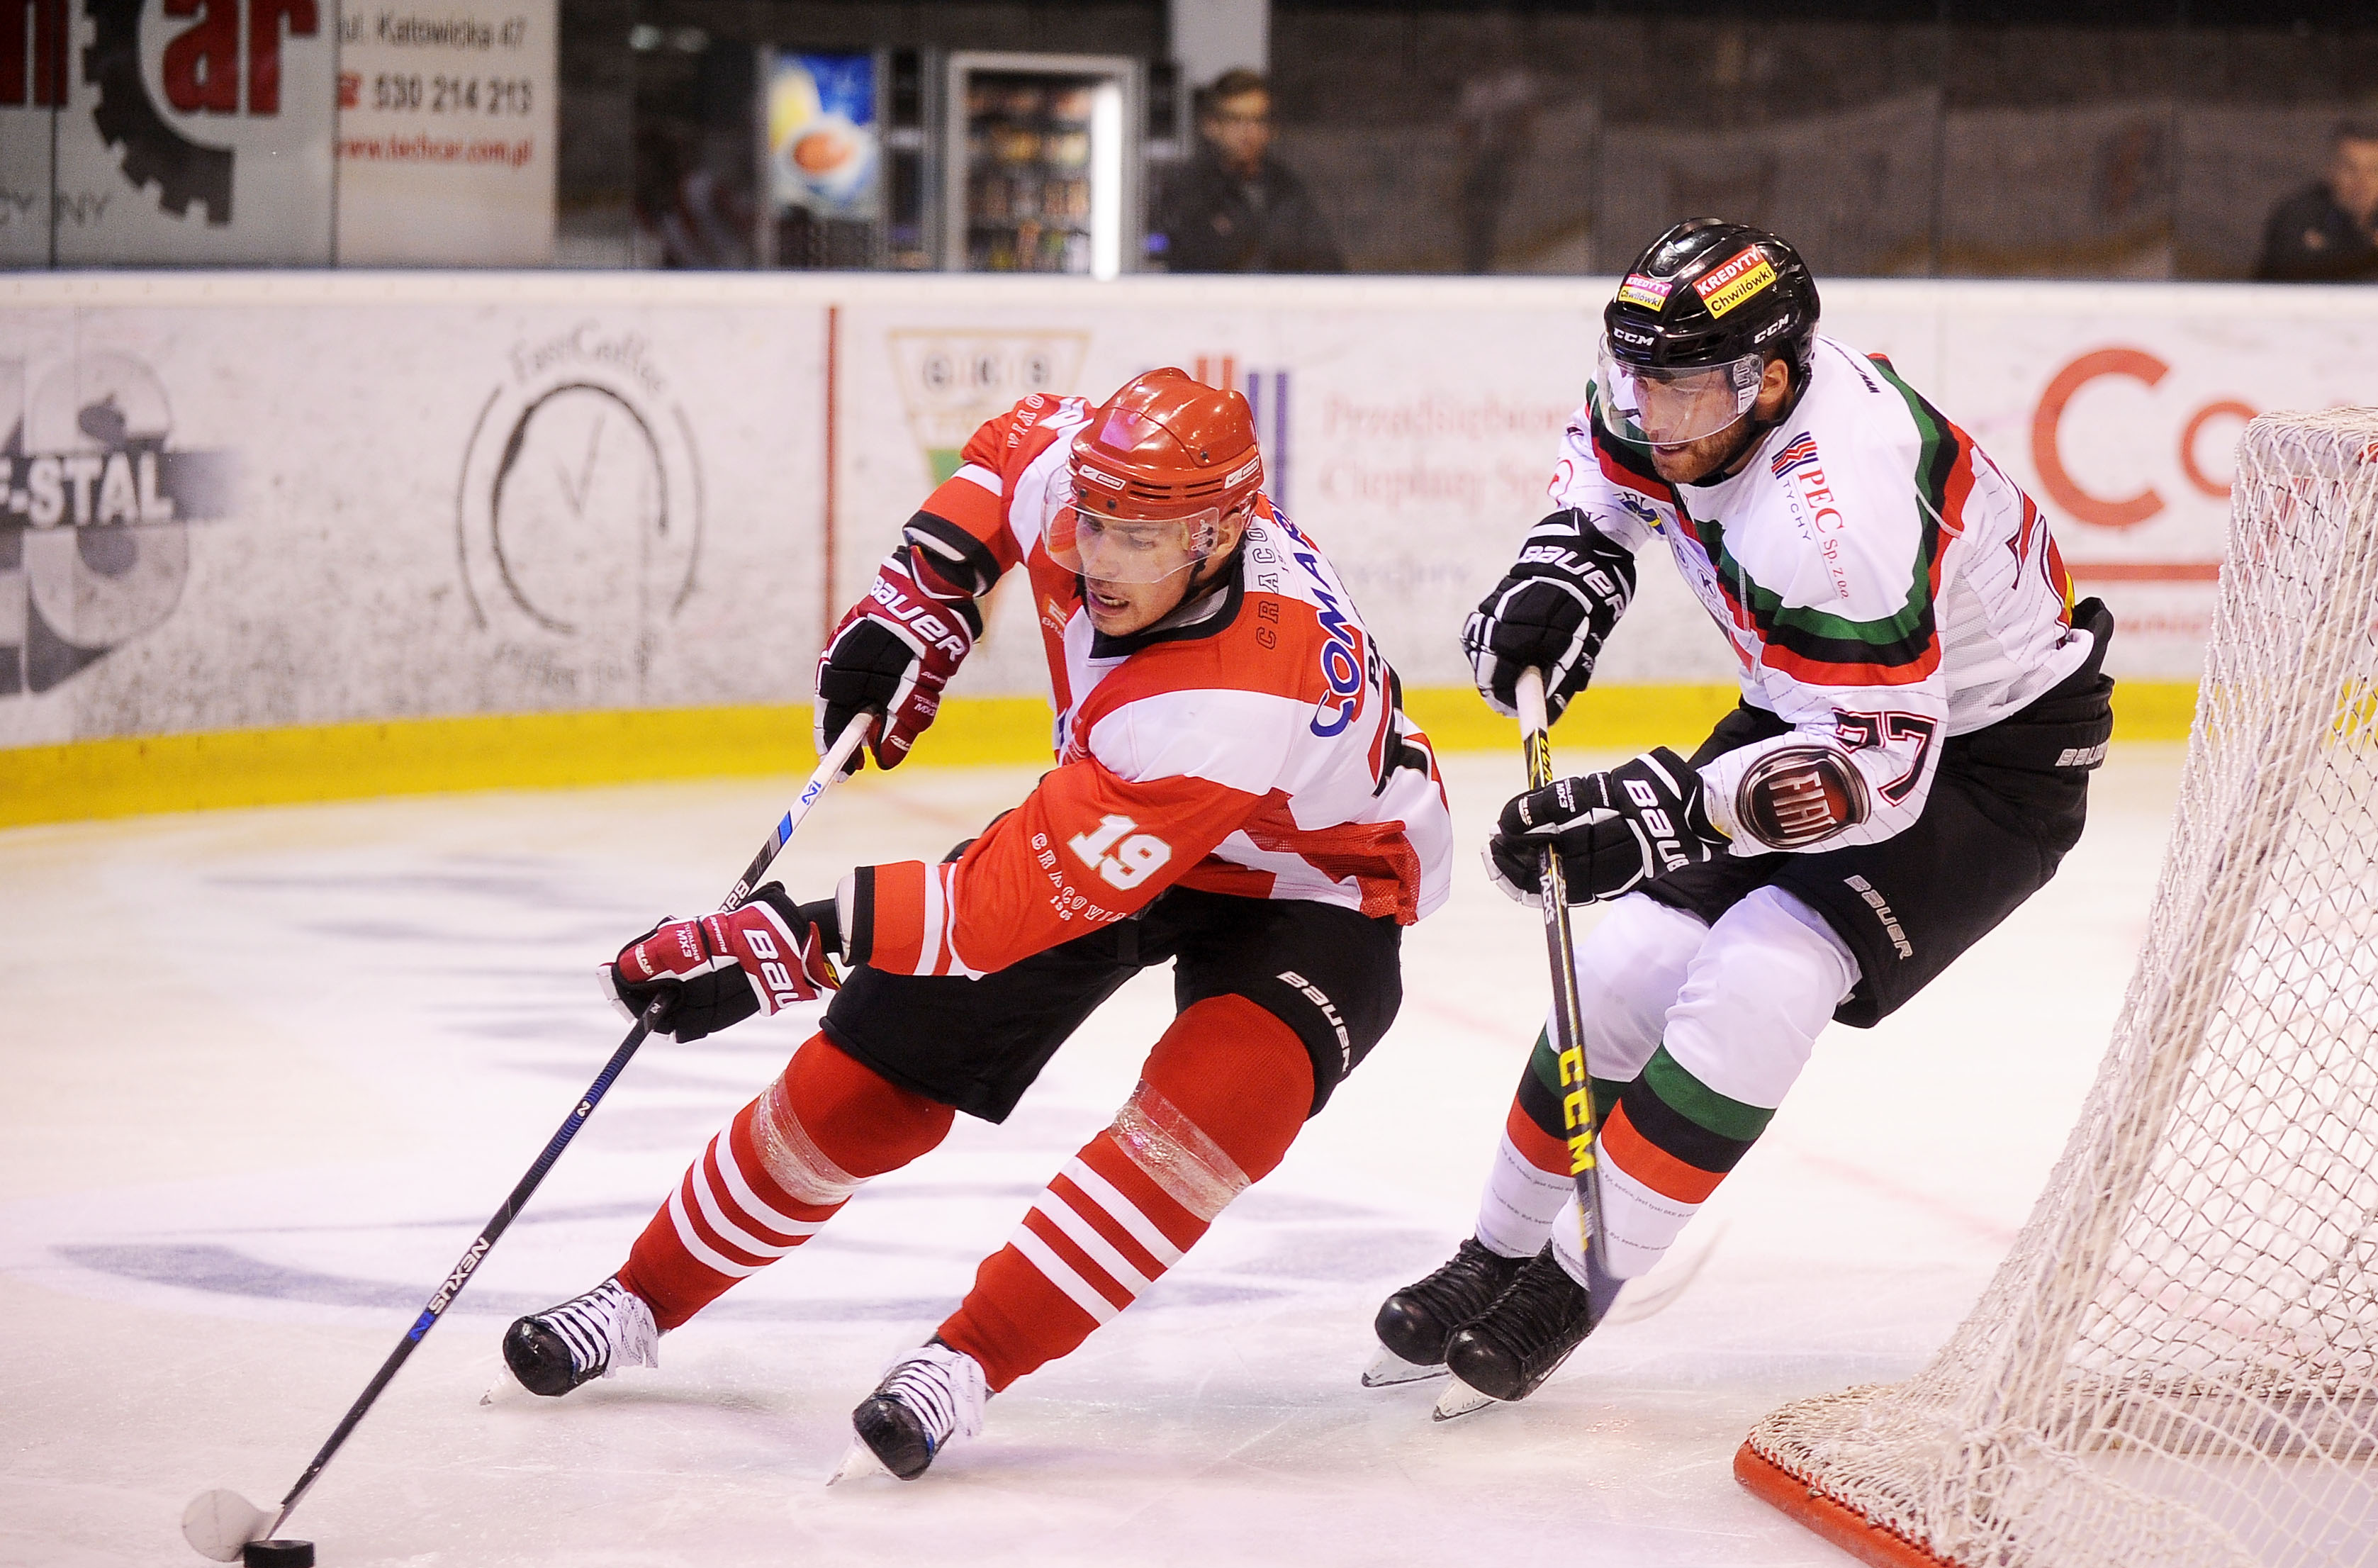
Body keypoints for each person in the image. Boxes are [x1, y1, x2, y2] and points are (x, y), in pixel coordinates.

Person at [498, 369, 1451, 1481]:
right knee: (867, 1080)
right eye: (1091, 521)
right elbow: (1011, 440)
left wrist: (791, 942)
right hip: (1121, 803)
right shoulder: (1097, 492)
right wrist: (924, 593)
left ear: (1219, 534)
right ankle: (638, 1297)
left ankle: (966, 1361)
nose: (1098, 558)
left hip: (1319, 883)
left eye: (1138, 539)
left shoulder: (1229, 700)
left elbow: (997, 912)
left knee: (1216, 1108)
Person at [1369, 220, 2116, 1408]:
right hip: (1822, 703)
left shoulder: (1834, 523)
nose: (1649, 413)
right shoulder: (1675, 395)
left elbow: (1879, 772)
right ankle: (1494, 1255)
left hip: (1986, 759)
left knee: (1762, 973)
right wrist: (1568, 563)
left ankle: (1573, 1281)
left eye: (1679, 389)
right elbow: (1603, 468)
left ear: (1766, 381)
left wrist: (1664, 814)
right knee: (1622, 967)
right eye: (1636, 377)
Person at [1151, 68, 1345, 273]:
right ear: (1211, 125)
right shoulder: (1189, 188)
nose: (1248, 132)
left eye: (1258, 120)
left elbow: (1326, 263)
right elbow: (1178, 261)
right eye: (1236, 120)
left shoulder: (1286, 187)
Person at [2255, 125, 2378, 284]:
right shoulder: (2298, 214)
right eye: (2350, 169)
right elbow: (2292, 269)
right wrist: (2374, 255)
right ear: (2330, 171)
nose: (2362, 182)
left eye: (2375, 171)